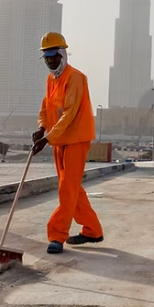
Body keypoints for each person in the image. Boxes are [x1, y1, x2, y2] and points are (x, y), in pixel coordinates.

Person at [31, 32, 104, 255]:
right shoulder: (51, 80)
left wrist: (48, 138)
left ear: (63, 54)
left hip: (76, 139)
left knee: (66, 188)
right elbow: (46, 108)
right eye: (47, 57)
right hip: (58, 140)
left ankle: (56, 234)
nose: (51, 60)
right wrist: (42, 127)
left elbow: (70, 113)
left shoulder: (75, 78)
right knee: (72, 188)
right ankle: (92, 230)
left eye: (55, 56)